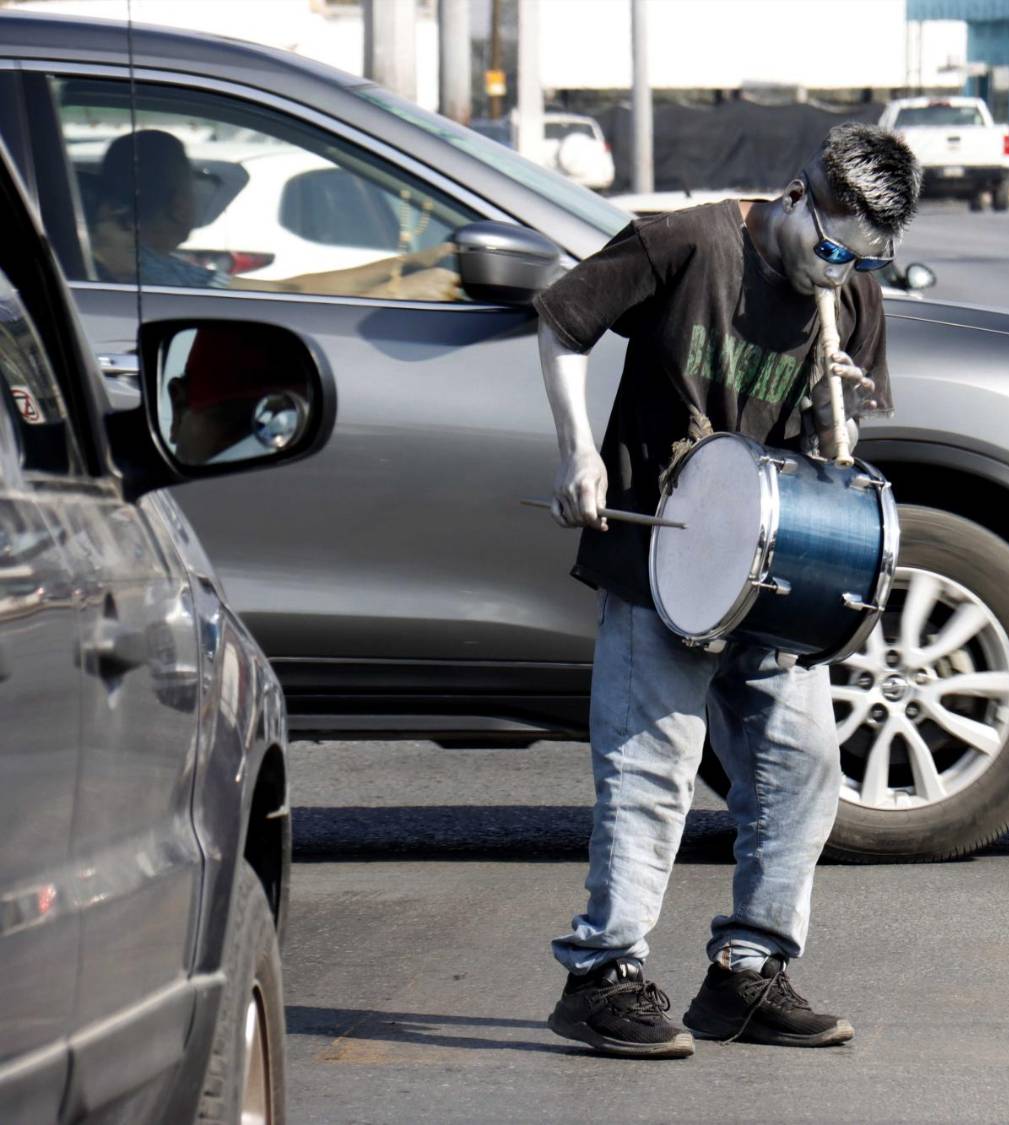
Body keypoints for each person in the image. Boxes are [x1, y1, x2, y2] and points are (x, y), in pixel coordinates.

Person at [534, 122, 918, 1059]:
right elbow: (562, 322)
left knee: (802, 766)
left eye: (860, 262)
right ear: (797, 197)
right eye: (829, 250)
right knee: (652, 769)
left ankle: (747, 973)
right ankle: (600, 975)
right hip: (662, 553)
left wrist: (841, 422)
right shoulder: (688, 242)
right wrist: (578, 452)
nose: (837, 272)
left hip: (778, 567)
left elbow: (835, 456)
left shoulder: (853, 294)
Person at [89, 129, 459, 300]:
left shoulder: (138, 265)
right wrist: (400, 291)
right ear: (179, 205)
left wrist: (407, 265)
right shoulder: (152, 274)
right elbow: (293, 301)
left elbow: (292, 290)